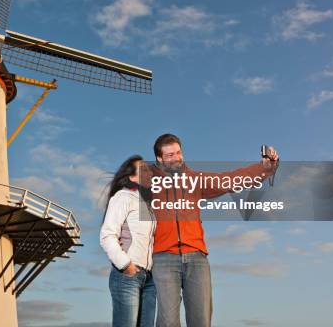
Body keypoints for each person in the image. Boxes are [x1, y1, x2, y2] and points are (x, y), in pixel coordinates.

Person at [143, 133, 279, 327]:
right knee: (167, 322)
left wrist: (264, 168)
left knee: (201, 320)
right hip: (163, 258)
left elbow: (231, 180)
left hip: (196, 257)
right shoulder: (150, 182)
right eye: (170, 155)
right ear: (159, 158)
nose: (176, 158)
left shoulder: (195, 179)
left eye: (178, 153)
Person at [100, 155, 157, 327]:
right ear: (132, 177)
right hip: (128, 276)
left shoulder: (149, 205)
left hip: (150, 279)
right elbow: (107, 235)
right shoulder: (123, 197)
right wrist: (126, 265)